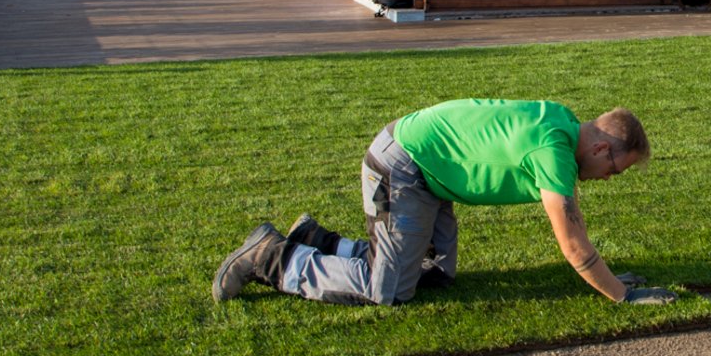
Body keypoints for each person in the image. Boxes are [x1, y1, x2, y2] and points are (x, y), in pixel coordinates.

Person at [211, 99, 675, 306]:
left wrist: (610, 278)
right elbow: (573, 245)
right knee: (388, 291)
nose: (610, 179)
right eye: (617, 170)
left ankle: (317, 240)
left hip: (430, 175)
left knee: (435, 274)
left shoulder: (563, 120)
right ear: (601, 148)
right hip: (404, 168)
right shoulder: (553, 156)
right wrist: (622, 295)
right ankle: (272, 257)